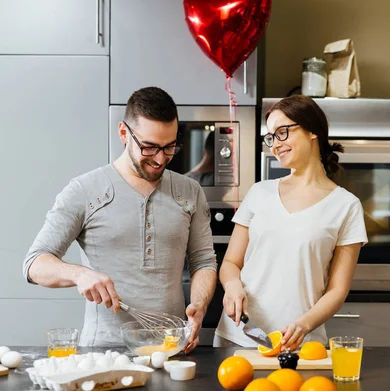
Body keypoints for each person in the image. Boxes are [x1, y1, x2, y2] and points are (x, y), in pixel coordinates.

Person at [23, 87, 217, 353]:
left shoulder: (190, 191)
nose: (160, 159)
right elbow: (35, 264)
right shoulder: (85, 190)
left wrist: (199, 305)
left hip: (171, 349)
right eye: (149, 148)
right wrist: (79, 274)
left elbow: (204, 261)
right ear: (124, 133)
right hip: (103, 352)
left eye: (169, 146)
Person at [214, 95, 368, 350]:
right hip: (239, 336)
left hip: (300, 344)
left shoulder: (346, 206)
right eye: (271, 137)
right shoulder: (259, 193)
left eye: (282, 132)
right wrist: (232, 286)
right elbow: (231, 262)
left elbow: (337, 291)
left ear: (312, 132)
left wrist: (304, 325)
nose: (275, 145)